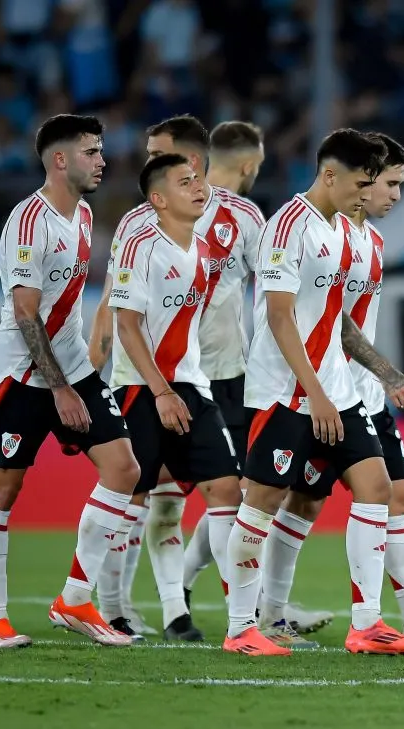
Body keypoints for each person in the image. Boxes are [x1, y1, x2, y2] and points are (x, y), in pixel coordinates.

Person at [255, 133, 404, 650]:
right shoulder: (321, 232)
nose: (395, 195)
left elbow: (347, 324)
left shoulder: (370, 242)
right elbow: (317, 321)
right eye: (390, 183)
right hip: (320, 391)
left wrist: (387, 375)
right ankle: (265, 614)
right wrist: (375, 375)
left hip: (359, 395)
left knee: (396, 494)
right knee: (298, 501)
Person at [223, 128, 404, 656]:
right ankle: (241, 628)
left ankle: (367, 625)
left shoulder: (340, 229)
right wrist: (314, 393)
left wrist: (377, 375)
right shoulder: (287, 226)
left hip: (336, 389)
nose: (366, 195)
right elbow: (280, 317)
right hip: (282, 391)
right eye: (361, 183)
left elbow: (337, 320)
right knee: (263, 501)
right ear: (330, 174)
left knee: (377, 487)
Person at [0, 114, 140, 648]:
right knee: (3, 489)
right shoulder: (28, 223)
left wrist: (79, 372)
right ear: (61, 159)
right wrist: (61, 389)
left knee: (124, 468)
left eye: (101, 150)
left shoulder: (84, 215)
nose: (102, 160)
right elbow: (26, 315)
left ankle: (74, 598)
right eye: (92, 151)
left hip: (73, 367)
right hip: (22, 374)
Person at [106, 153, 243, 644]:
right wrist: (159, 390)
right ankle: (106, 606)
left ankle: (237, 618)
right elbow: (124, 323)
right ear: (158, 197)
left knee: (226, 490)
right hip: (140, 388)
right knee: (130, 501)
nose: (199, 187)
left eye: (199, 178)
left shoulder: (206, 250)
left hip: (193, 385)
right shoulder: (137, 241)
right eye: (185, 181)